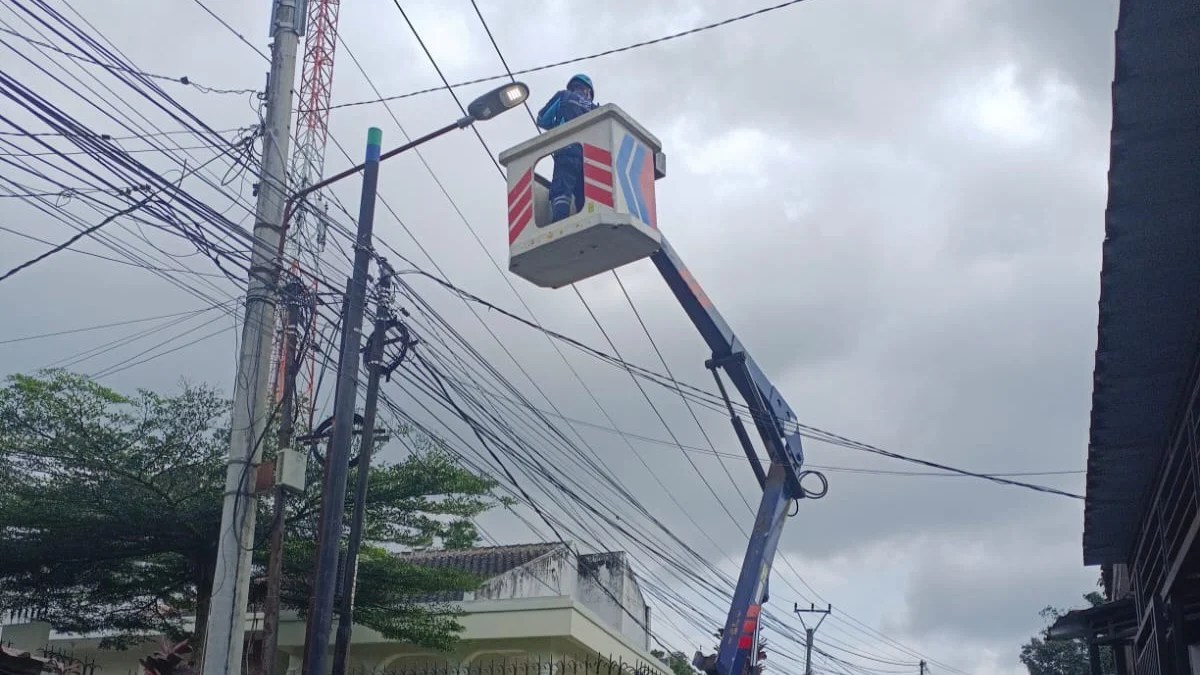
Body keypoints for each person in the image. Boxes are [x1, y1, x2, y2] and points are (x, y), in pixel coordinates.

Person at [536, 74, 598, 222]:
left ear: (572, 86)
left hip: (566, 151)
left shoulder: (563, 96)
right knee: (584, 195)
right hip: (588, 159)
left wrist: (557, 125)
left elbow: (542, 119)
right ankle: (585, 223)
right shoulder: (595, 108)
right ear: (588, 92)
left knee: (562, 190)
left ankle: (560, 222)